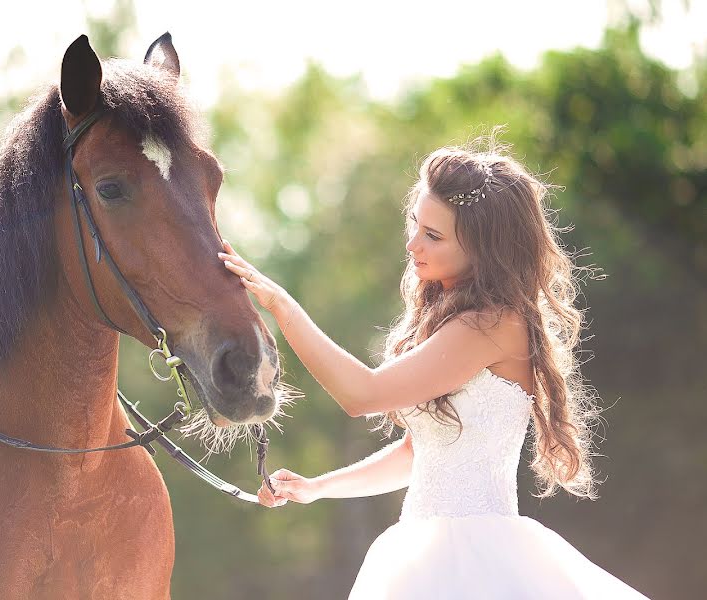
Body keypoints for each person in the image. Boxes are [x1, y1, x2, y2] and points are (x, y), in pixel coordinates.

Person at [218, 140, 650, 599]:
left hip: (476, 562)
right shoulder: (455, 316)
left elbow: (362, 394)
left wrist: (281, 306)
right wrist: (318, 487)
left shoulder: (493, 323)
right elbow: (419, 454)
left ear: (485, 249)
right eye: (415, 225)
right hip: (425, 550)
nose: (412, 244)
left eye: (434, 236)